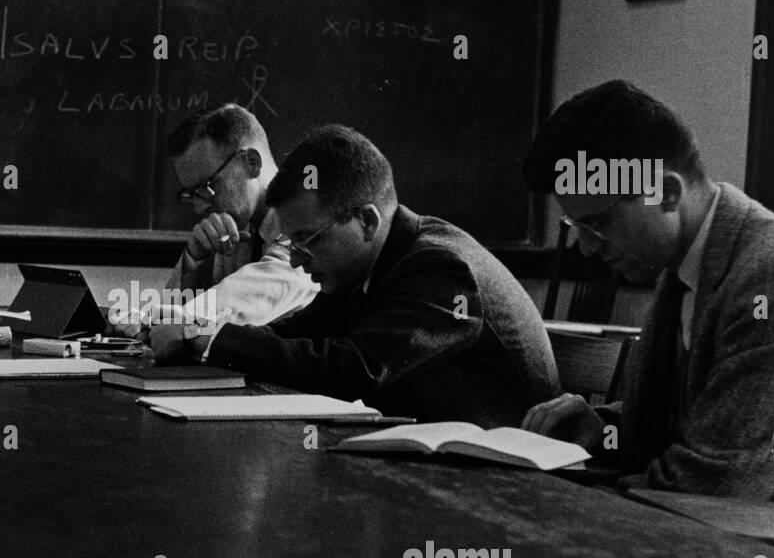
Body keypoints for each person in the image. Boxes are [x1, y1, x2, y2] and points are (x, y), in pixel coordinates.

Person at [520, 80, 774, 503]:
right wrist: (603, 432)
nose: (586, 247)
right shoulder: (682, 263)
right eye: (575, 227)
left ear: (668, 192)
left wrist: (578, 500)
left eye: (598, 223)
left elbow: (718, 484)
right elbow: (703, 413)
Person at [152, 124, 560, 426]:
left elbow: (355, 370)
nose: (296, 260)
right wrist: (202, 336)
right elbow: (300, 335)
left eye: (306, 240)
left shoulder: (441, 268)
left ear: (366, 220)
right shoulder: (370, 264)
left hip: (500, 480)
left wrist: (206, 336)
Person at [117, 104, 317, 334]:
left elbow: (235, 303)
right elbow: (174, 318)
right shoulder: (234, 227)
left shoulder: (304, 225)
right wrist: (195, 261)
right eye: (192, 195)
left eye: (207, 187)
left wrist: (145, 320)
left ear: (252, 162)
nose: (200, 207)